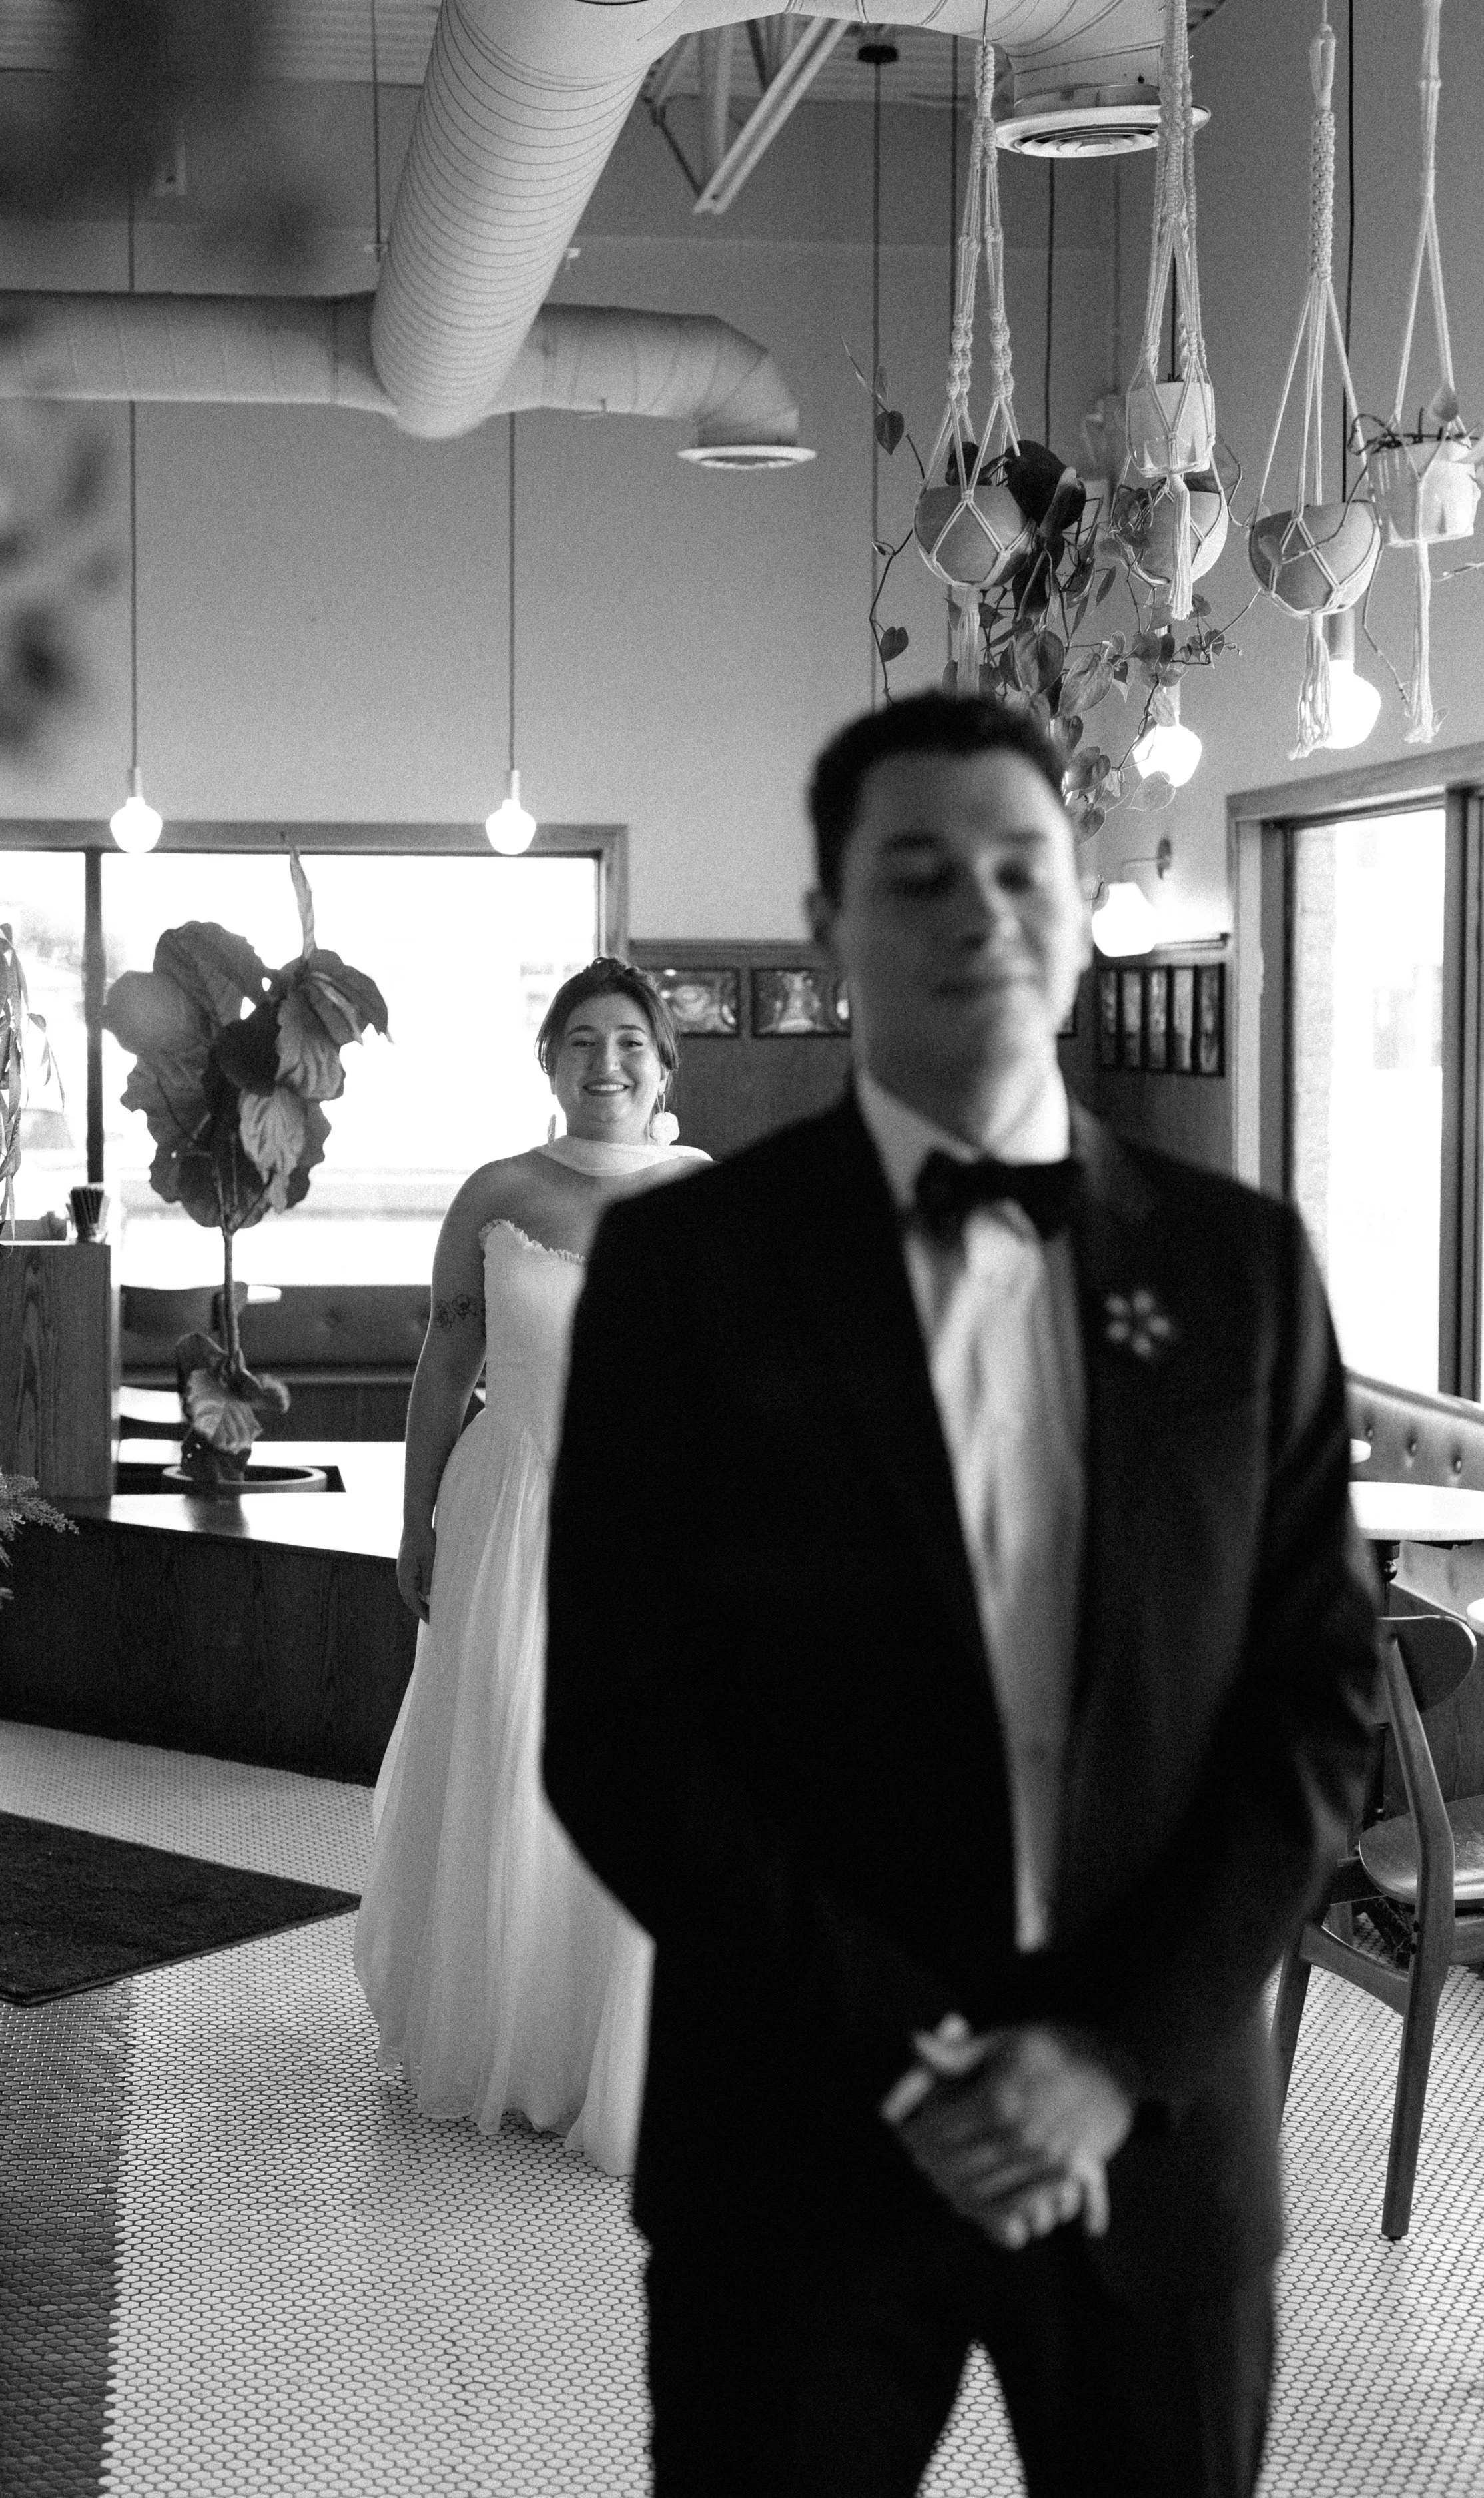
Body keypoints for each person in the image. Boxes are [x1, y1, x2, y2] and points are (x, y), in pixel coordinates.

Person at [544, 691, 1383, 2492]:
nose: (979, 910)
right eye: (916, 874)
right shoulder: (689, 1269)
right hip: (798, 2130)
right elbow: (620, 1729)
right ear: (825, 931)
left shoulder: (1240, 1266)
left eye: (1022, 868)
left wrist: (1107, 2054)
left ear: (1080, 908)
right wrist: (920, 2057)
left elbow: (1312, 1696)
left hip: (1153, 2140)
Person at [354, 957, 707, 2177]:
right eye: (580, 1042)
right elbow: (446, 1362)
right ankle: (502, 2030)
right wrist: (415, 1521)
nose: (605, 1064)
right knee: (507, 1750)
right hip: (510, 1498)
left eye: (629, 1044)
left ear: (664, 1066)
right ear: (549, 1060)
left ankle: (620, 2052)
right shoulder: (497, 1191)